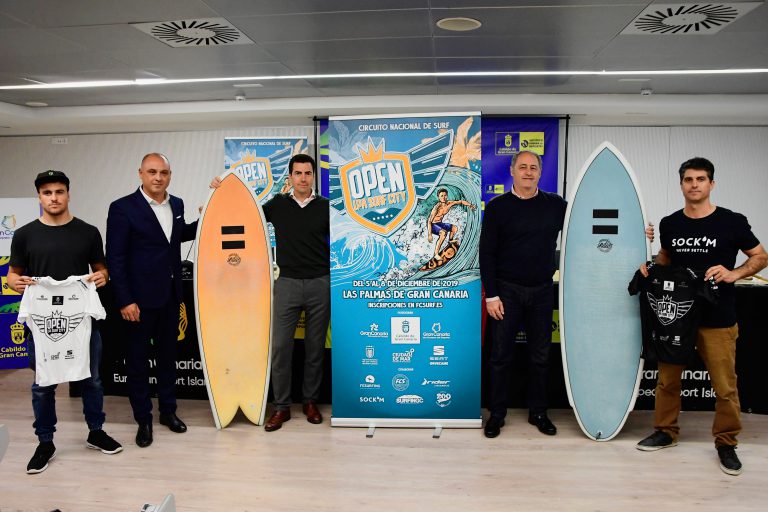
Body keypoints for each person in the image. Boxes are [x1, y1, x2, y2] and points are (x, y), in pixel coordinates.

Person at [636, 157, 767, 476]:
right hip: (677, 317)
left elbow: (760, 256)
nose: (694, 184)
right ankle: (665, 431)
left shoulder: (731, 221)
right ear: (681, 184)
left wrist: (734, 273)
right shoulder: (670, 223)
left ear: (711, 184)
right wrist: (650, 260)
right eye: (688, 179)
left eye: (701, 179)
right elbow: (665, 261)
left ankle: (726, 442)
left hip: (718, 316)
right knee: (667, 381)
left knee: (725, 387)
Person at [8, 170, 122, 474]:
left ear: (68, 194)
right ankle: (45, 441)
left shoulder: (87, 232)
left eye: (59, 192)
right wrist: (16, 282)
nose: (54, 198)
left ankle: (95, 431)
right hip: (42, 322)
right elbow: (12, 274)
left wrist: (102, 276)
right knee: (43, 384)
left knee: (91, 379)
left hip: (81, 318)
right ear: (39, 197)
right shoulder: (25, 234)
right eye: (47, 193)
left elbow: (102, 269)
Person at [211, 154, 330, 432]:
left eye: (308, 173)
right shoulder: (277, 205)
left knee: (315, 349)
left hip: (319, 283)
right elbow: (243, 216)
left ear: (313, 176)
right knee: (279, 348)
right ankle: (282, 407)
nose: (303, 178)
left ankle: (310, 402)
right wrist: (219, 193)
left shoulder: (326, 207)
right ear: (290, 177)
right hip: (286, 282)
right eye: (298, 173)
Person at [106, 153, 197, 448]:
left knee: (169, 359)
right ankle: (143, 419)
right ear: (141, 173)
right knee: (137, 363)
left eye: (164, 172)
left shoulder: (178, 204)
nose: (158, 177)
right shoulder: (122, 208)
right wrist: (124, 300)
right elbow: (115, 259)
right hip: (137, 303)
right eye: (152, 172)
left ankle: (168, 412)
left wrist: (209, 216)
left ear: (170, 174)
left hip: (171, 298)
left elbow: (177, 236)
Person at [479, 151, 566, 438]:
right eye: (523, 167)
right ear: (512, 171)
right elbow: (487, 253)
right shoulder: (497, 207)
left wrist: (639, 231)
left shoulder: (556, 205)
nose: (528, 172)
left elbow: (588, 226)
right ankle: (497, 414)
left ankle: (539, 412)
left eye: (533, 168)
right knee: (500, 356)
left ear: (540, 173)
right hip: (505, 291)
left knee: (540, 356)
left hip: (542, 290)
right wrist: (491, 295)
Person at [427, 188, 476, 260]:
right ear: (438, 197)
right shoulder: (437, 207)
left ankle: (450, 240)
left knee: (454, 228)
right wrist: (429, 234)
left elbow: (461, 201)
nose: (443, 197)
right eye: (441, 196)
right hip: (433, 225)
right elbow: (429, 221)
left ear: (447, 196)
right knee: (443, 233)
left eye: (445, 195)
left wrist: (470, 205)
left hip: (439, 223)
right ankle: (436, 254)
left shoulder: (449, 203)